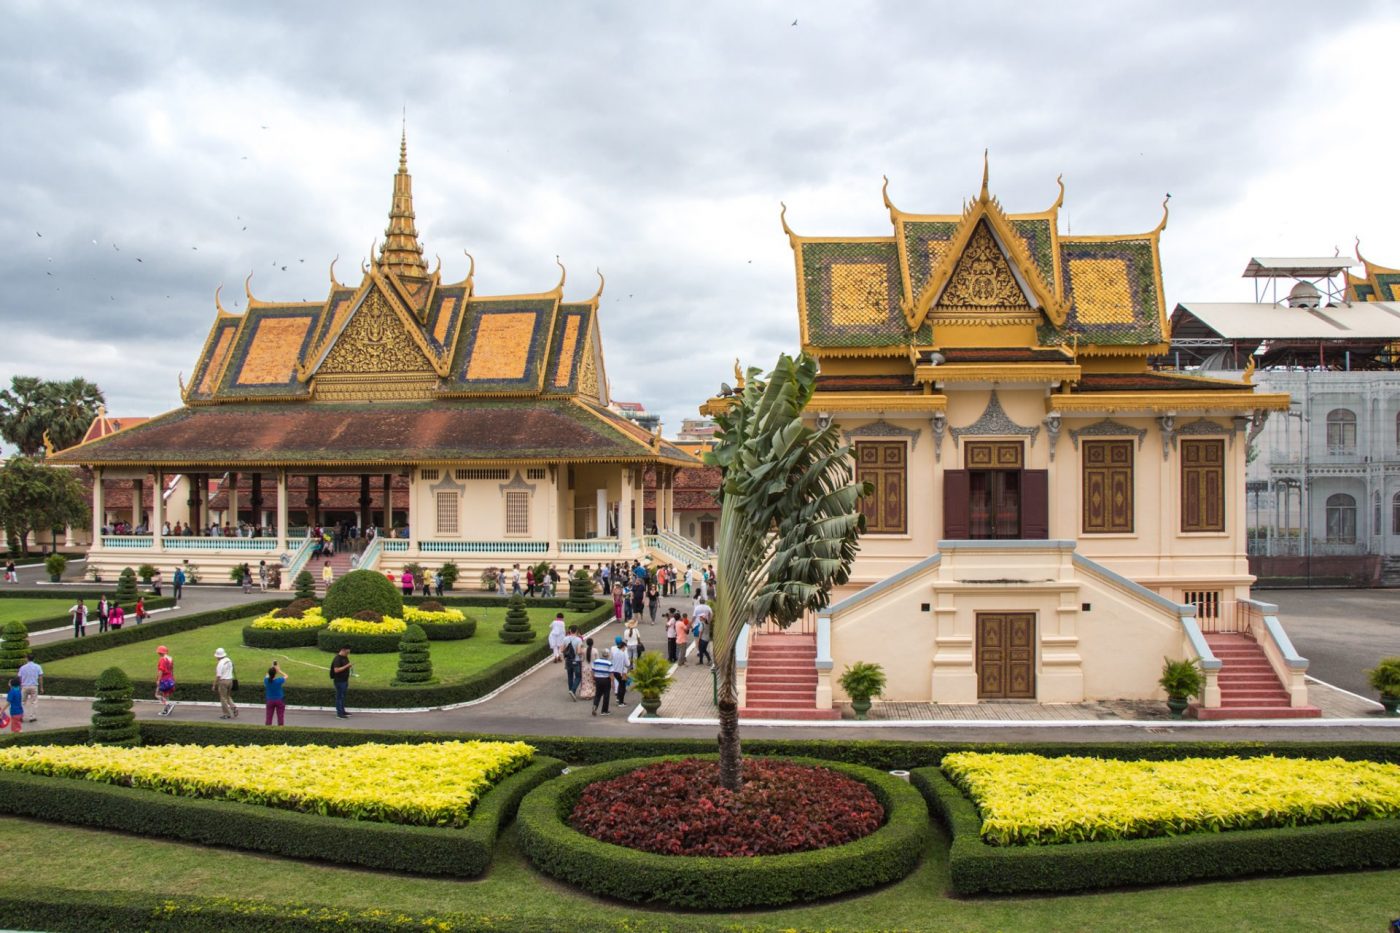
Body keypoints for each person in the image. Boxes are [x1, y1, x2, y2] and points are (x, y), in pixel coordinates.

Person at [212, 648, 238, 719]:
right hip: (230, 680)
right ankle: (233, 707)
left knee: (223, 698)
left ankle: (226, 714)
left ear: (218, 656)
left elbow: (218, 676)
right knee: (227, 696)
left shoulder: (220, 663)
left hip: (223, 681)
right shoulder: (229, 660)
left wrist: (214, 685)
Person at [588, 638, 611, 715]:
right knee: (606, 695)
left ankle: (595, 706)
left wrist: (593, 678)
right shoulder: (609, 663)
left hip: (598, 679)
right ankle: (604, 711)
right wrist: (613, 683)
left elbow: (593, 670)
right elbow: (611, 674)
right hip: (606, 680)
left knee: (598, 694)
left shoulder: (596, 661)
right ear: (608, 655)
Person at [17, 654, 42, 722]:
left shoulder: (22, 667)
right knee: (33, 702)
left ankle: (20, 717)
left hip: (24, 686)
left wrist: (20, 686)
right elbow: (40, 677)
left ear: (27, 659)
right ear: (34, 659)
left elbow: (19, 678)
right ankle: (32, 717)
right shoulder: (38, 666)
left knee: (22, 702)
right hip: (34, 686)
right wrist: (41, 687)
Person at [562, 626, 584, 699]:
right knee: (578, 676)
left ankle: (571, 690)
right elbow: (578, 652)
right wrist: (582, 651)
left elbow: (562, 650)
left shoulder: (565, 639)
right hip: (576, 660)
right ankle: (573, 690)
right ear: (576, 631)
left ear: (570, 631)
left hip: (568, 660)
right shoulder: (579, 640)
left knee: (570, 676)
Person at [330, 647, 353, 718]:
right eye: (347, 652)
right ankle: (339, 714)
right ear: (342, 650)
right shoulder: (337, 659)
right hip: (339, 681)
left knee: (342, 696)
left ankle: (342, 711)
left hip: (345, 680)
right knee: (339, 697)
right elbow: (336, 670)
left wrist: (349, 667)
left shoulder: (345, 657)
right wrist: (347, 666)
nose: (347, 654)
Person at [610, 636, 631, 709]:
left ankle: (618, 698)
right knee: (622, 687)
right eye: (624, 647)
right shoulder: (623, 653)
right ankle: (621, 702)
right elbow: (627, 664)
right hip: (622, 673)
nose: (625, 649)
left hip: (615, 671)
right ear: (623, 647)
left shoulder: (615, 652)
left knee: (619, 686)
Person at [264, 662, 287, 726]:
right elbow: (286, 676)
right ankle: (280, 729)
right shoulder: (279, 680)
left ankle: (267, 730)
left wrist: (272, 668)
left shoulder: (266, 681)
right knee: (280, 717)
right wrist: (279, 671)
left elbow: (267, 675)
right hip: (279, 700)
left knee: (268, 717)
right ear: (275, 673)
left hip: (270, 700)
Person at [155, 646, 176, 715]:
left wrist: (158, 680)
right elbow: (172, 669)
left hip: (164, 679)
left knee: (157, 694)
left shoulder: (162, 659)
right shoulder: (170, 658)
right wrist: (172, 678)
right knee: (166, 695)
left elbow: (161, 670)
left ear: (160, 652)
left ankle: (168, 705)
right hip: (170, 679)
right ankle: (166, 710)